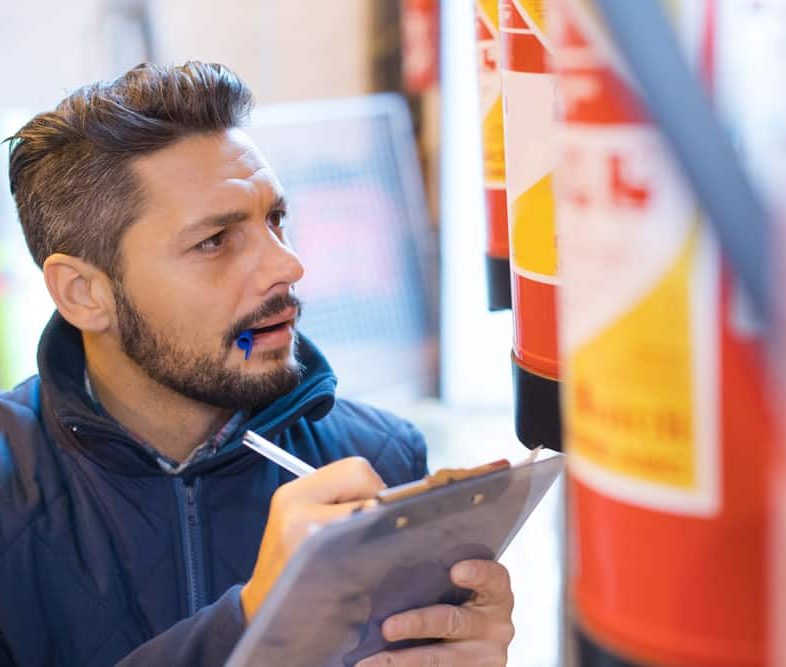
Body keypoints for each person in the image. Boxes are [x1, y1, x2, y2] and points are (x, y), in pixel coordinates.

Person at [0, 62, 515, 666]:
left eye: (274, 220)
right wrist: (252, 624)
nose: (287, 267)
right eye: (214, 241)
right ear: (85, 293)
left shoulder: (381, 459)